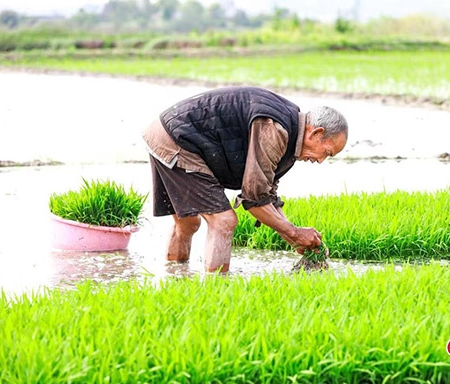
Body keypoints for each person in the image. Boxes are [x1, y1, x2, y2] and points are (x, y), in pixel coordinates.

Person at [143, 86, 348, 273]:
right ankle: (216, 294)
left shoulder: (291, 134)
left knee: (187, 223)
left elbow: (266, 193)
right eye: (326, 153)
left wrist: (294, 237)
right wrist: (294, 233)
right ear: (316, 133)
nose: (321, 161)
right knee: (223, 221)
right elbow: (254, 199)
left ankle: (175, 281)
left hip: (166, 132)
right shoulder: (275, 128)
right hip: (178, 139)